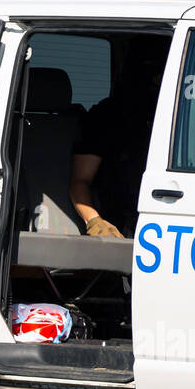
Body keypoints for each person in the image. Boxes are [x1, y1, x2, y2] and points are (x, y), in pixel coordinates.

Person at [69, 36, 170, 239]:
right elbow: (80, 180)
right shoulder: (109, 115)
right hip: (121, 222)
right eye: (152, 70)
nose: (158, 80)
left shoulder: (183, 114)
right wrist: (95, 222)